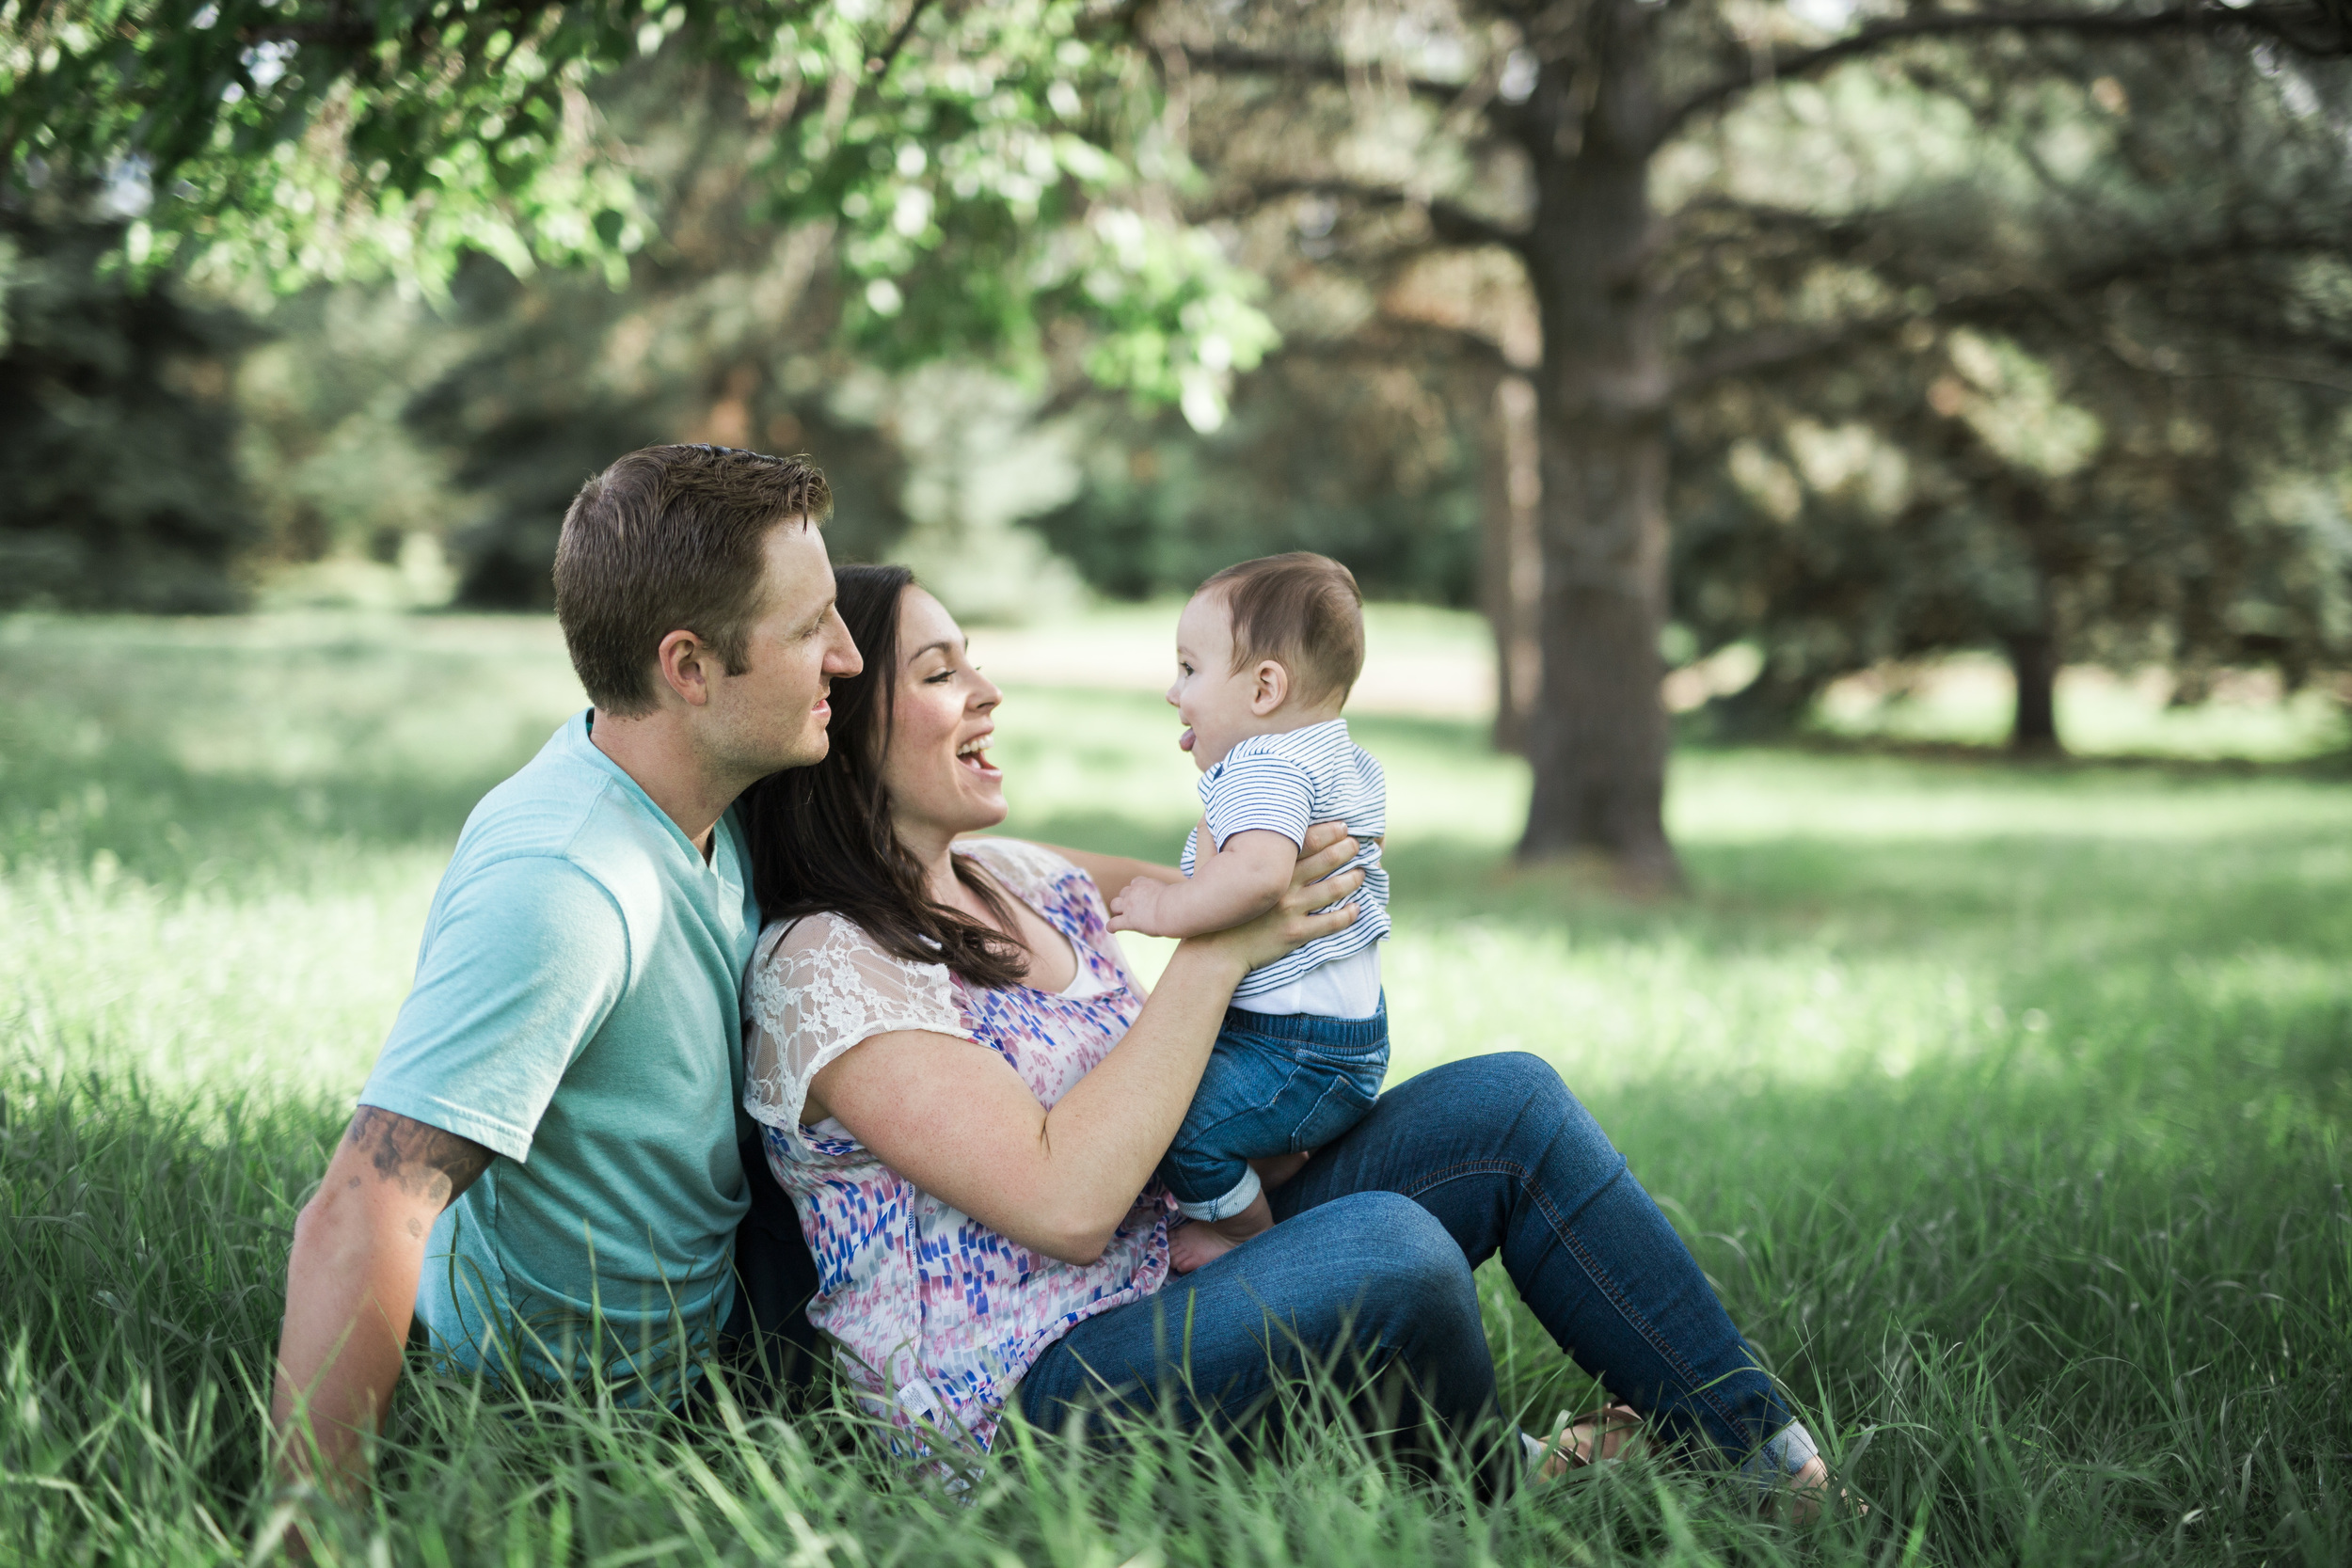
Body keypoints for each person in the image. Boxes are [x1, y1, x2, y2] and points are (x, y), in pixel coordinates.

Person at [735, 564, 1835, 1502]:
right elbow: (1065, 1207)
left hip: (1169, 1269)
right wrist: (1217, 950)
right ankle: (1511, 1486)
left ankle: (1765, 1465)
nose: (988, 690)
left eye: (972, 659)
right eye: (940, 674)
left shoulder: (1019, 877)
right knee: (1392, 1248)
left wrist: (1313, 814)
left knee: (1509, 1102)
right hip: (1024, 1400)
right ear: (842, 729)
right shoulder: (827, 965)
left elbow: (1262, 887)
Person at [269, 445, 856, 1500]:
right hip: (567, 1425)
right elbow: (364, 1204)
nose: (847, 657)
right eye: (810, 627)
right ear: (687, 667)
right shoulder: (567, 883)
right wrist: (310, 1531)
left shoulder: (701, 796)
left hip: (727, 1330)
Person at [1104, 553, 1391, 1275]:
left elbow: (1260, 878)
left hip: (1295, 1046)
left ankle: (1247, 1241)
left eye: (1190, 669)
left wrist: (1166, 906)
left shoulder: (1266, 765)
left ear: (1266, 687)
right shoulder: (1334, 755)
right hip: (1339, 1036)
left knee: (1180, 1126)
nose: (1175, 693)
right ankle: (1268, 1171)